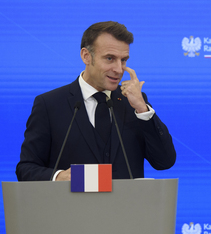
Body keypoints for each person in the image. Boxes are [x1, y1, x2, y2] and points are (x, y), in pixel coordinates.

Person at [16, 21, 176, 181]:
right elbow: (26, 168)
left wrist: (142, 109)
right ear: (86, 56)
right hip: (72, 205)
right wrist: (58, 177)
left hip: (126, 205)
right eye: (109, 58)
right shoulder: (50, 104)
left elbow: (164, 162)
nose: (119, 69)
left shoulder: (134, 103)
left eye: (124, 60)